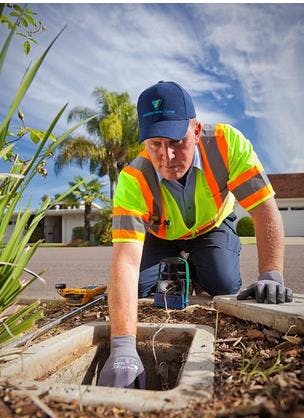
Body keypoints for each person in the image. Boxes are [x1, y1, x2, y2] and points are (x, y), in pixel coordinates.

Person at [98, 81, 293, 389]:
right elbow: (125, 259)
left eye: (177, 141)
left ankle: (202, 268)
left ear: (197, 130)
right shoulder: (134, 176)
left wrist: (271, 273)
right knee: (137, 287)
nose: (167, 156)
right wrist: (122, 346)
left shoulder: (228, 144)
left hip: (212, 226)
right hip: (160, 235)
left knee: (223, 284)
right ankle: (180, 262)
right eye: (155, 144)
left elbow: (264, 209)